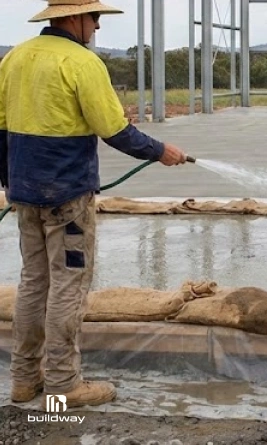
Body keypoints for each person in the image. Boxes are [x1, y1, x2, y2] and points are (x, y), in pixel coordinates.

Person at [0, 0, 188, 408]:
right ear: (73, 17)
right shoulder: (82, 63)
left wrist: (10, 181)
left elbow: (0, 127)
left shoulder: (15, 58)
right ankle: (63, 384)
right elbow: (114, 129)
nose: (98, 26)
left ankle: (23, 379)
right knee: (68, 285)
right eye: (95, 17)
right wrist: (160, 151)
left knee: (33, 284)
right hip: (67, 196)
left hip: (25, 193)